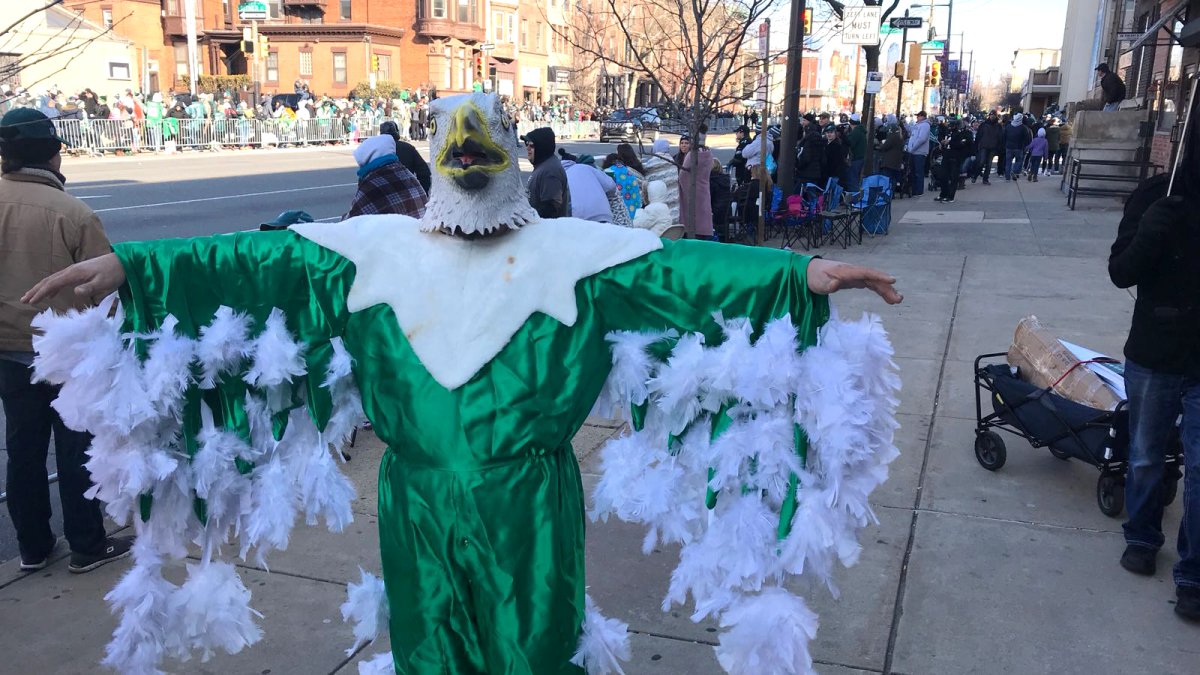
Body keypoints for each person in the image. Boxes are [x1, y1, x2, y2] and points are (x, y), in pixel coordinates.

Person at [22, 92, 903, 674]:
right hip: (420, 498)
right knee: (431, 642)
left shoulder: (580, 256)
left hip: (529, 497)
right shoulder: (367, 253)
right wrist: (131, 268)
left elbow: (685, 271)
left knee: (533, 641)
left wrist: (798, 275)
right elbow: (249, 261)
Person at [0, 108, 133, 574]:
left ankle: (33, 547)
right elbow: (101, 289)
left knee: (23, 449)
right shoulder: (74, 213)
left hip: (8, 351)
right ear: (55, 156)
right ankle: (86, 545)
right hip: (68, 354)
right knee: (77, 448)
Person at [1107, 139, 1200, 622]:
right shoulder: (1154, 196)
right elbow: (1120, 270)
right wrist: (1150, 233)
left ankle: (1194, 572)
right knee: (1145, 455)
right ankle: (1142, 535)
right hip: (1155, 353)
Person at [343, 135, 428, 220]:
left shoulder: (371, 185)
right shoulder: (405, 173)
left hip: (397, 232)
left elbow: (352, 222)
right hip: (417, 228)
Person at [521, 126, 571, 218]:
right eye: (526, 143)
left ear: (542, 147)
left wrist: (526, 218)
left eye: (531, 145)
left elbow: (550, 209)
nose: (527, 147)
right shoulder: (543, 165)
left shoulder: (550, 171)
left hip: (546, 230)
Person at [559, 150, 617, 223]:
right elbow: (611, 185)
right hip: (602, 214)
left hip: (578, 218)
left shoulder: (559, 176)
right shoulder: (586, 167)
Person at [379, 120, 432, 195]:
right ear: (397, 132)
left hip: (383, 195)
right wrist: (422, 193)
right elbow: (424, 173)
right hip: (407, 194)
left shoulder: (375, 151)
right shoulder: (408, 148)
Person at [679, 139, 714, 238]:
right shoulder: (709, 155)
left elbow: (682, 176)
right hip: (704, 192)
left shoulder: (692, 155)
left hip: (691, 192)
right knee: (703, 220)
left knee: (693, 223)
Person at [935, 118, 973, 203]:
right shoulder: (949, 132)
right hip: (946, 155)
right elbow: (944, 139)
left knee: (953, 177)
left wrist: (949, 143)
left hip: (956, 156)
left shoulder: (962, 133)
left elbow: (962, 144)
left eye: (951, 125)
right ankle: (943, 194)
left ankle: (950, 196)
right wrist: (942, 144)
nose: (949, 127)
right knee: (943, 175)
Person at [974, 112, 1003, 185]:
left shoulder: (998, 126)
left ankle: (985, 179)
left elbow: (1000, 137)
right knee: (982, 162)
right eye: (991, 115)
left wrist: (999, 147)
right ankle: (975, 175)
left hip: (993, 147)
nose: (992, 117)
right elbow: (978, 136)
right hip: (984, 146)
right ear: (989, 116)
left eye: (994, 116)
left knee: (989, 164)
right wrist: (976, 146)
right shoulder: (984, 125)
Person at [906, 111, 931, 196]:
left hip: (919, 152)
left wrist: (913, 148)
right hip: (913, 152)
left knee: (918, 172)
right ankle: (913, 189)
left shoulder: (925, 125)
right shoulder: (917, 125)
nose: (917, 117)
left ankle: (919, 190)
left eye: (919, 116)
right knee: (913, 171)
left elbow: (921, 139)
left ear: (923, 116)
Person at [876, 121, 905, 192]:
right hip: (896, 161)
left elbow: (885, 146)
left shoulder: (892, 136)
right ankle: (892, 192)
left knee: (887, 177)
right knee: (893, 178)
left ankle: (887, 193)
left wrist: (879, 146)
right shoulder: (899, 136)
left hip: (889, 162)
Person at [1004, 113, 1032, 181]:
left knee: (1008, 162)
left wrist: (1005, 144)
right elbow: (1027, 139)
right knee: (1019, 161)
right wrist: (1025, 146)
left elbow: (1004, 136)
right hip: (1018, 148)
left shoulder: (1008, 127)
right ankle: (1014, 171)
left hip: (1009, 147)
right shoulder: (1024, 128)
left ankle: (1007, 177)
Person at [846, 114, 867, 192]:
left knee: (852, 180)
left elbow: (850, 143)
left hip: (855, 159)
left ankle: (854, 200)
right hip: (860, 158)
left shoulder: (856, 132)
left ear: (851, 123)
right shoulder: (861, 131)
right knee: (855, 179)